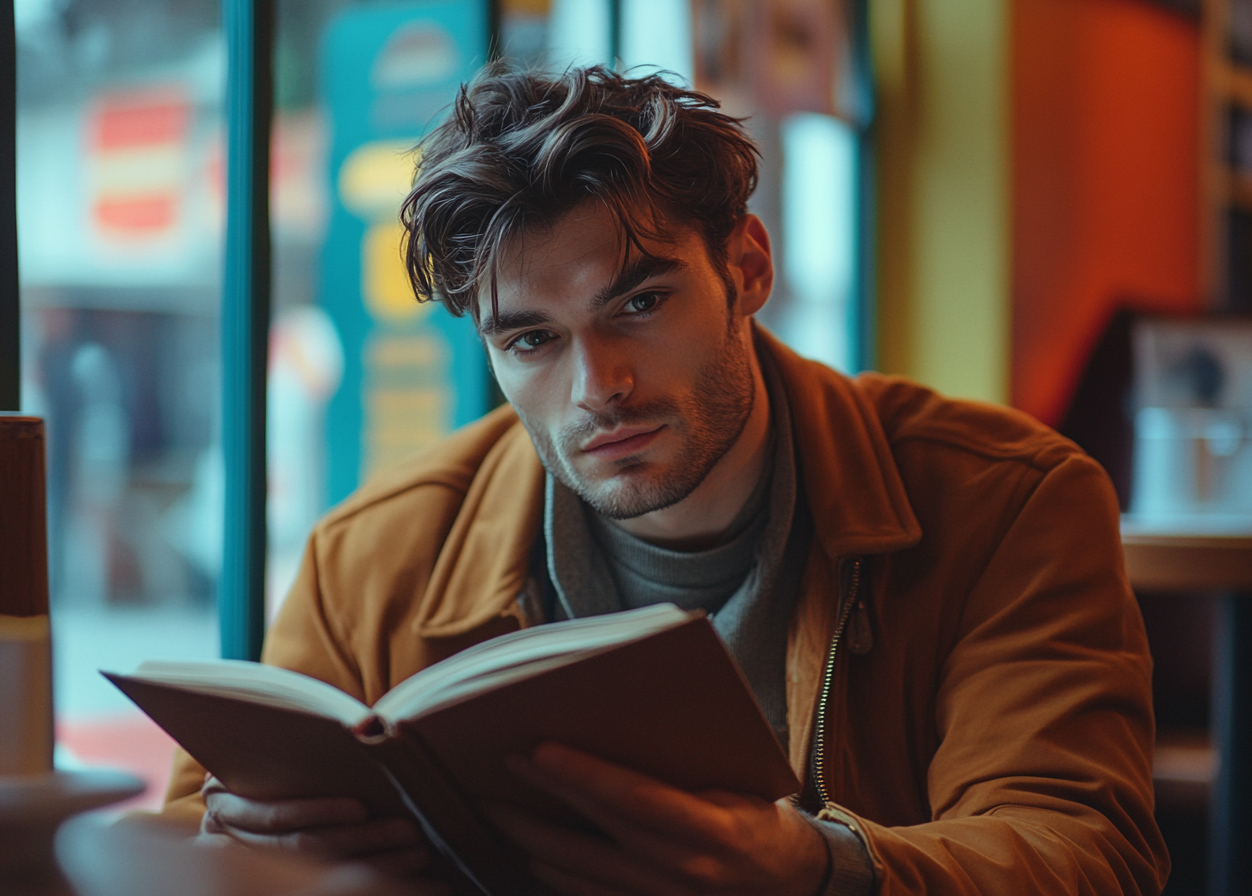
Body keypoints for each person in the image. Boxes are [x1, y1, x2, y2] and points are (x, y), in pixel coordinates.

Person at [163, 65, 1170, 895]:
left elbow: (1083, 849)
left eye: (639, 301)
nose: (598, 386)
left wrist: (817, 869)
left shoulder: (1010, 503)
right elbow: (185, 830)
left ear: (749, 267)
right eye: (533, 340)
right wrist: (235, 865)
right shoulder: (373, 552)